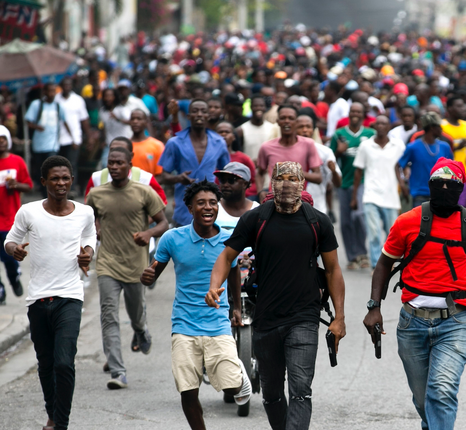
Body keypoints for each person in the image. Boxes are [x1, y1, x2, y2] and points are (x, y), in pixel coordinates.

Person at [363, 157, 466, 430]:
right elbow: (384, 262)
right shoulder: (407, 221)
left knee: (441, 390)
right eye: (437, 184)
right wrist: (374, 306)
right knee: (422, 397)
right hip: (411, 321)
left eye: (451, 185)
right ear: (429, 186)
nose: (444, 190)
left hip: (455, 321)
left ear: (461, 188)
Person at [210, 162, 346, 430]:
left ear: (302, 183)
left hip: (304, 317)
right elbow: (227, 257)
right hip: (266, 317)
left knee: (300, 390)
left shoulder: (318, 221)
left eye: (292, 178)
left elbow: (333, 270)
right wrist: (214, 286)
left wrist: (339, 317)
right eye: (280, 178)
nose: (286, 184)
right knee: (271, 394)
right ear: (271, 183)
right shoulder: (256, 219)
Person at [140, 180, 252, 427]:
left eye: (213, 202)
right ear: (190, 208)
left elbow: (233, 271)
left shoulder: (229, 239)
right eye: (201, 203)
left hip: (218, 322)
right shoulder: (172, 238)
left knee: (234, 388)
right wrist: (146, 277)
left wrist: (235, 306)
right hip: (184, 324)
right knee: (188, 390)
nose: (208, 207)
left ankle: (240, 376)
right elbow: (153, 274)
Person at [4, 155, 96, 430]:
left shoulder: (84, 212)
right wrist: (15, 250)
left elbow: (90, 237)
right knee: (45, 363)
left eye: (65, 178)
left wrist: (88, 253)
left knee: (64, 363)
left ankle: (61, 424)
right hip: (38, 298)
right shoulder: (29, 212)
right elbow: (10, 241)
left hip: (69, 296)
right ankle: (53, 414)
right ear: (43, 181)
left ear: (71, 180)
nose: (61, 183)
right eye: (54, 178)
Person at [86, 147, 168, 389]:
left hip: (136, 265)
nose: (113, 167)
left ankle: (140, 330)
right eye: (110, 162)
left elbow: (163, 221)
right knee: (108, 316)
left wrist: (149, 233)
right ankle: (118, 372)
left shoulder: (144, 192)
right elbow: (88, 218)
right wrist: (95, 228)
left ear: (129, 165)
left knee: (135, 314)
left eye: (119, 163)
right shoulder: (96, 194)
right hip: (107, 263)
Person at [159, 99, 230, 227]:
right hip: (184, 210)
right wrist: (178, 178)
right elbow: (163, 177)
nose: (199, 114)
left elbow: (226, 174)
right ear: (188, 116)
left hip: (211, 211)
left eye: (203, 111)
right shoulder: (175, 143)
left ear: (208, 116)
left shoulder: (219, 142)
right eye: (195, 111)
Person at [351, 114, 405, 271]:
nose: (381, 126)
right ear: (374, 126)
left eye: (384, 123)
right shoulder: (365, 146)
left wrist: (402, 184)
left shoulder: (398, 145)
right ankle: (376, 264)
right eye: (378, 123)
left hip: (391, 196)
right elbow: (358, 172)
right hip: (371, 194)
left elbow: (399, 167)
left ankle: (389, 261)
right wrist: (355, 196)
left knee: (391, 233)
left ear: (389, 127)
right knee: (374, 233)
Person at [330, 102, 375, 269]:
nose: (355, 113)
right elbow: (330, 160)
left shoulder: (371, 134)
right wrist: (339, 151)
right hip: (343, 183)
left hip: (364, 182)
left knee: (359, 216)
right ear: (348, 114)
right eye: (352, 111)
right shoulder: (339, 134)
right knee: (346, 221)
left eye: (358, 111)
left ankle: (363, 253)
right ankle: (352, 257)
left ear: (363, 114)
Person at [256, 105, 323, 196]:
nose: (286, 121)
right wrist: (260, 192)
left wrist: (293, 171)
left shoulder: (308, 144)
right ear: (278, 121)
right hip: (274, 199)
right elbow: (260, 173)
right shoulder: (266, 147)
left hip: (298, 200)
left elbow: (318, 177)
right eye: (283, 118)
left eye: (291, 118)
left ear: (296, 122)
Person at [0, 125, 32, 304]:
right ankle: (0, 291)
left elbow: (29, 185)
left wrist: (16, 185)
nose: (0, 144)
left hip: (9, 220)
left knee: (9, 258)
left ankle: (13, 279)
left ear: (8, 141)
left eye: (3, 139)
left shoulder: (17, 161)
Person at [84, 137, 167, 204]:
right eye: (112, 150)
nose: (116, 154)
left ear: (131, 156)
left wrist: (144, 223)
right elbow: (88, 206)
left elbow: (161, 203)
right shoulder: (97, 177)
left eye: (121, 150)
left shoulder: (146, 178)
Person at [399, 112, 454, 208]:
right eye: (439, 126)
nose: (441, 129)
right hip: (419, 195)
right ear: (432, 128)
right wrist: (402, 185)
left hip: (440, 194)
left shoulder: (444, 146)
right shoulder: (413, 147)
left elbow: (451, 168)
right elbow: (399, 165)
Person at [26, 83, 71, 197]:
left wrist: (72, 137)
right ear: (44, 92)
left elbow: (64, 122)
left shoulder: (58, 106)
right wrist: (37, 127)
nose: (52, 94)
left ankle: (52, 192)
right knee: (41, 169)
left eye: (54, 91)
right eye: (49, 91)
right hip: (38, 144)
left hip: (52, 144)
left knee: (51, 167)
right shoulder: (36, 105)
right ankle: (43, 191)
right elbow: (28, 122)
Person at [295, 113, 341, 215]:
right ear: (294, 129)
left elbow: (338, 184)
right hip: (293, 210)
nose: (305, 130)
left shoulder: (325, 152)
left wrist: (333, 171)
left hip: (317, 208)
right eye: (301, 127)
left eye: (308, 127)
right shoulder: (287, 151)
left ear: (314, 130)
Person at [54, 77, 89, 194]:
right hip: (57, 139)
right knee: (58, 164)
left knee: (72, 164)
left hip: (74, 137)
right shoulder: (56, 99)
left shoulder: (78, 100)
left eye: (69, 85)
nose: (66, 87)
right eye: (64, 85)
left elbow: (84, 119)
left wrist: (88, 136)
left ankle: (72, 188)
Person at [215, 122, 258, 199]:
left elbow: (254, 180)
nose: (223, 134)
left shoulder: (243, 158)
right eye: (220, 132)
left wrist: (241, 193)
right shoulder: (209, 157)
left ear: (234, 137)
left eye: (227, 132)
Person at [215, 162, 260, 230]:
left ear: (245, 184)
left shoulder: (257, 210)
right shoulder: (213, 208)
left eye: (231, 180)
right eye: (222, 180)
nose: (225, 185)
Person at [237, 94, 279, 161]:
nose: (258, 108)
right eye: (255, 106)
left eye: (261, 106)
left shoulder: (272, 128)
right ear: (251, 107)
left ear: (265, 108)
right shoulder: (242, 130)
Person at [99, 88, 132, 168]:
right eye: (106, 96)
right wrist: (103, 140)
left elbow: (130, 121)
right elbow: (103, 127)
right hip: (109, 143)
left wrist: (117, 118)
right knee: (105, 165)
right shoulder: (102, 111)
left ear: (115, 97)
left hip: (123, 143)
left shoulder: (121, 109)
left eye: (110, 96)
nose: (108, 98)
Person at [129, 109, 165, 176]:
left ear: (146, 122)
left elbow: (160, 175)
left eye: (139, 119)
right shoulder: (124, 145)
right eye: (132, 119)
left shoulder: (157, 145)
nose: (135, 121)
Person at [441, 96, 466, 165]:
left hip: (463, 169)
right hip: (448, 169)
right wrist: (457, 148)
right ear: (450, 109)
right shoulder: (441, 126)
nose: (463, 109)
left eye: (463, 105)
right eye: (459, 106)